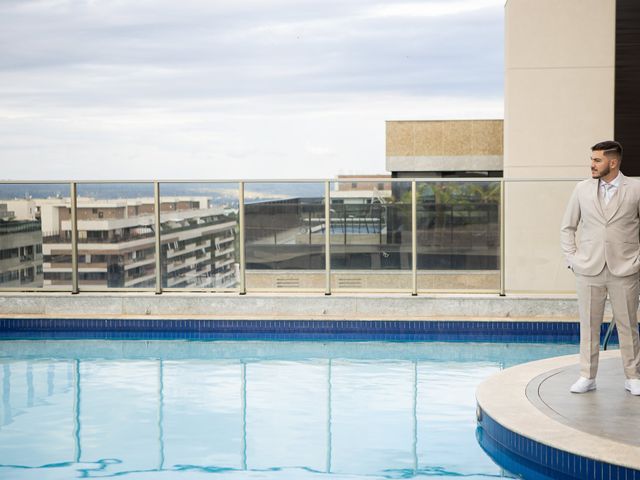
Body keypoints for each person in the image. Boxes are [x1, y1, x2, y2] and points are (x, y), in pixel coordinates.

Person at [560, 140, 640, 395]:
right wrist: (572, 258)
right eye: (592, 159)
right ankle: (587, 375)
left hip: (625, 268)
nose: (591, 164)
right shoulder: (581, 189)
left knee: (628, 325)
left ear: (613, 162)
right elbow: (568, 227)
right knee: (589, 325)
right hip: (588, 269)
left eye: (597, 160)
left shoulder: (636, 188)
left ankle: (633, 376)